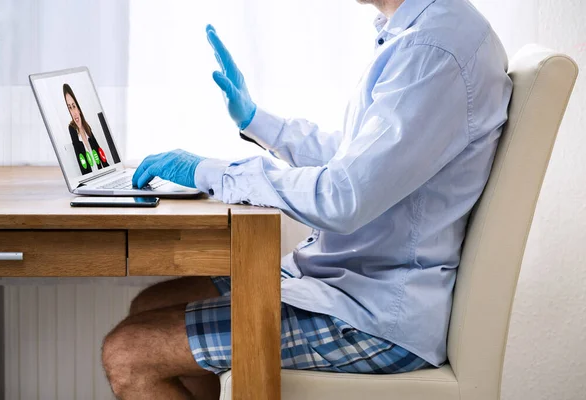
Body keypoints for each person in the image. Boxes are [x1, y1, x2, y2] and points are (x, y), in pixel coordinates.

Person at [102, 0, 512, 398]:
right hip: (345, 281)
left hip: (372, 315)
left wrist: (208, 172)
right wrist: (255, 121)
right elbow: (357, 161)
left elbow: (342, 197)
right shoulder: (418, 33)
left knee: (128, 354)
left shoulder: (434, 48)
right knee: (150, 304)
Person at [63, 84, 110, 175]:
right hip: (90, 181)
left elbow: (101, 156)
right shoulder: (72, 129)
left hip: (101, 176)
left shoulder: (87, 128)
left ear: (79, 108)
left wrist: (112, 172)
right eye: (70, 108)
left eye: (74, 106)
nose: (74, 113)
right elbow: (81, 163)